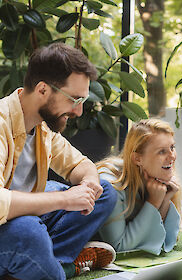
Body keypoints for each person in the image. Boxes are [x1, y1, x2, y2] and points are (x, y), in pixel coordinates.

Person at [0, 43, 117, 279]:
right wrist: (64, 199)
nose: (79, 111)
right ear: (43, 89)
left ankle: (43, 263)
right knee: (29, 232)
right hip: (10, 226)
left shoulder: (42, 126)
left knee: (103, 191)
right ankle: (54, 266)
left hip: (24, 219)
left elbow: (81, 165)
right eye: (74, 99)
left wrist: (89, 183)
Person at [97, 119, 182, 254]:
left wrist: (164, 201)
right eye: (162, 152)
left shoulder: (161, 179)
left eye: (172, 147)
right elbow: (117, 247)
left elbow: (164, 239)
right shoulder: (111, 185)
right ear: (137, 159)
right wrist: (153, 203)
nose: (172, 157)